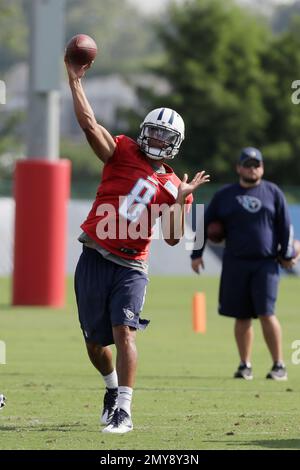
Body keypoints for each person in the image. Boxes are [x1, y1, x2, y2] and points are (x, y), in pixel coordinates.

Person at [65, 57, 210, 434]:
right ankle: (111, 389)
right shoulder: (123, 150)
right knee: (95, 344)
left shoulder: (178, 187)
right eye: (154, 133)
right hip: (94, 255)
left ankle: (124, 410)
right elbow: (89, 124)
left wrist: (181, 199)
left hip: (132, 265)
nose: (158, 141)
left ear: (175, 145)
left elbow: (176, 236)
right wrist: (74, 80)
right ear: (144, 132)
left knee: (124, 330)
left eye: (166, 137)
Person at [191, 147, 299, 381]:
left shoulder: (273, 192)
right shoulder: (225, 194)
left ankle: (279, 365)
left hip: (265, 263)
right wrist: (195, 254)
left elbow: (285, 226)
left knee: (266, 313)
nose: (252, 168)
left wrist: (288, 253)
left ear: (262, 167)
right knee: (241, 316)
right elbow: (204, 223)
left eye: (256, 164)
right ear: (238, 167)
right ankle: (244, 365)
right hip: (235, 263)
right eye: (247, 164)